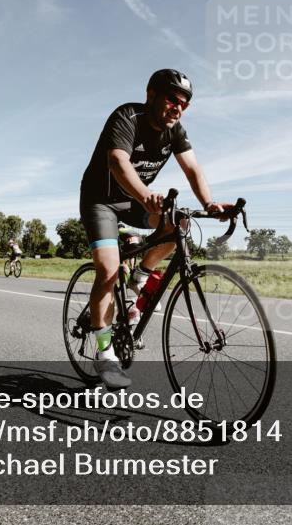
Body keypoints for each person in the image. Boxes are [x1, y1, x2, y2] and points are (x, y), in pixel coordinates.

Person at [78, 68, 234, 389]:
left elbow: (192, 169)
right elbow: (118, 162)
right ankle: (105, 354)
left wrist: (209, 204)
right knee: (108, 271)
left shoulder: (175, 131)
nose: (179, 108)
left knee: (178, 224)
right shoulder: (128, 117)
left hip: (136, 201)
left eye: (185, 104)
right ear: (151, 95)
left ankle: (140, 276)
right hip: (101, 200)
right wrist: (146, 194)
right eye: (173, 99)